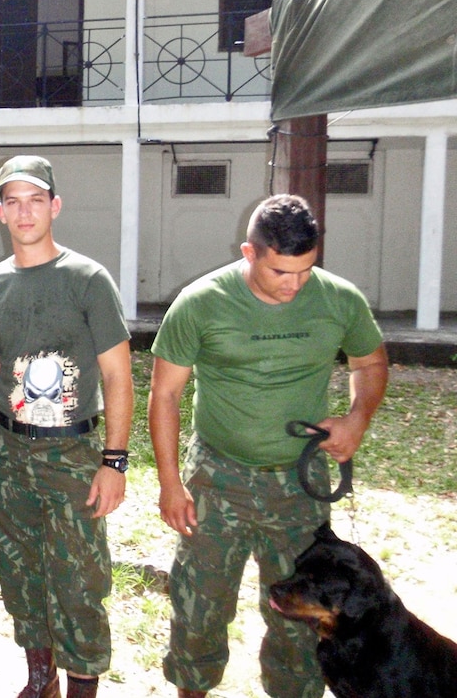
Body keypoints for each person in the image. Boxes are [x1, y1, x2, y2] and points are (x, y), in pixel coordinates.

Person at [148, 193, 389, 698]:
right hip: (218, 476)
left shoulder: (339, 299)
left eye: (305, 271)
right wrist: (171, 483)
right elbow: (165, 394)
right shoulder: (202, 302)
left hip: (298, 485)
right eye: (281, 272)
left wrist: (356, 419)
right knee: (199, 606)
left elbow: (371, 363)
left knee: (298, 619)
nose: (294, 285)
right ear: (249, 252)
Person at [0, 155, 134, 698]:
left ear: (54, 206)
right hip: (12, 457)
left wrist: (113, 461)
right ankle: (40, 679)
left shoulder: (87, 278)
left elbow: (117, 374)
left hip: (74, 457)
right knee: (19, 572)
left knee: (80, 581)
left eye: (35, 199)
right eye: (12, 201)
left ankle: (83, 687)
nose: (24, 211)